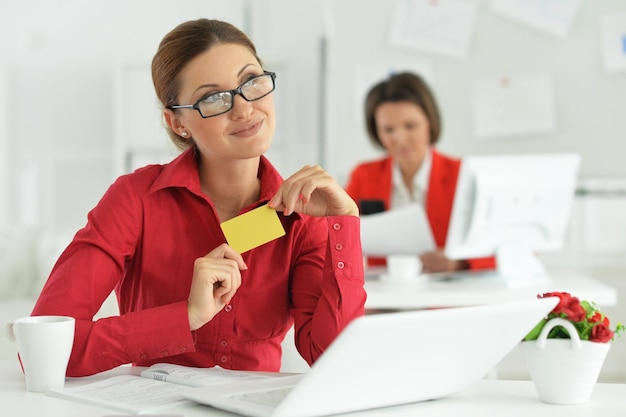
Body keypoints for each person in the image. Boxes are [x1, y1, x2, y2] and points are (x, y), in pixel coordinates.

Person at [31, 18, 366, 377]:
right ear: (178, 122)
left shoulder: (302, 217)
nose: (243, 109)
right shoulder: (135, 200)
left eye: (251, 82)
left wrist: (343, 223)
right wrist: (184, 318)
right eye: (213, 98)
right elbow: (42, 350)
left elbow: (336, 364)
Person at [345, 72, 494, 273]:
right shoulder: (364, 176)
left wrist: (459, 262)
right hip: (385, 295)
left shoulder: (464, 175)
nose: (400, 138)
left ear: (429, 122)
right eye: (389, 130)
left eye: (410, 126)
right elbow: (339, 234)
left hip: (449, 295)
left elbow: (507, 247)